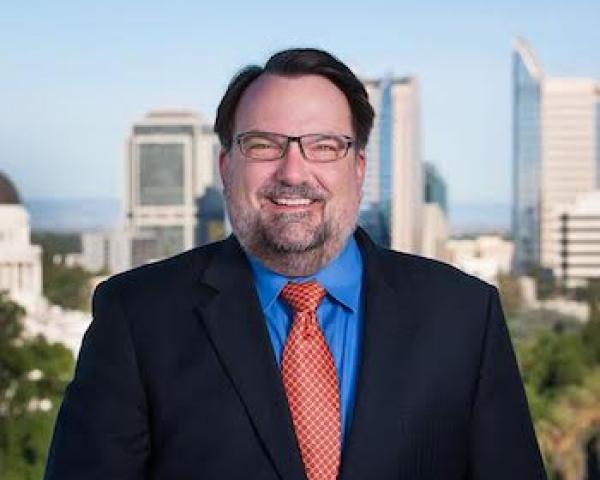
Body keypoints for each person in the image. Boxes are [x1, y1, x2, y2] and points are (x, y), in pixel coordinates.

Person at [45, 48, 546, 480]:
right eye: (263, 144)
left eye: (323, 146)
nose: (292, 171)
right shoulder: (138, 317)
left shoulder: (464, 317)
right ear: (226, 166)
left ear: (358, 168)